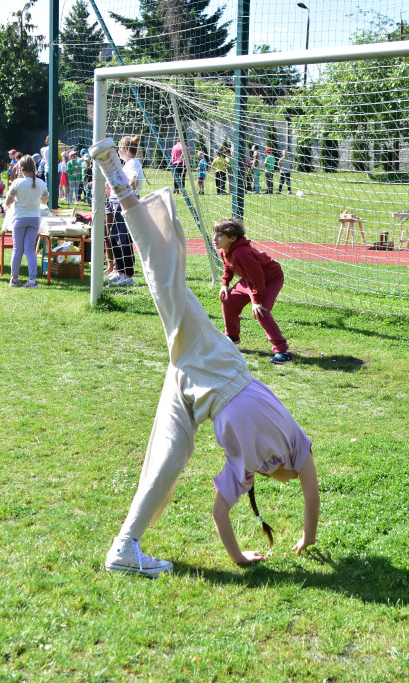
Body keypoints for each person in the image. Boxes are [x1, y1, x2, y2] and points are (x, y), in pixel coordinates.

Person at [88, 138, 320, 576]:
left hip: (193, 385)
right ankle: (116, 179)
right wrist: (307, 536)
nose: (287, 480)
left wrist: (239, 556)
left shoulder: (249, 468)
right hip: (211, 360)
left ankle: (124, 547)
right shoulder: (294, 447)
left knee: (169, 458)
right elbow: (311, 493)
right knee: (166, 279)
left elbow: (222, 512)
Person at [214, 218, 293, 364]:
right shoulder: (224, 250)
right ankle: (232, 338)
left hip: (270, 279)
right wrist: (225, 283)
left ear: (232, 238)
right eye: (214, 234)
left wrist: (256, 301)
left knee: (261, 311)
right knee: (228, 301)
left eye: (219, 235)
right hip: (250, 280)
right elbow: (227, 266)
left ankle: (282, 351)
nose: (214, 238)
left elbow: (258, 278)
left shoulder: (242, 253)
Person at [4, 155, 49, 289]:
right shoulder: (40, 182)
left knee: (17, 249)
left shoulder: (17, 183)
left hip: (19, 218)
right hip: (34, 218)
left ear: (21, 169)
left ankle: (14, 278)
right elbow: (46, 199)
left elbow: (8, 201)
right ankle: (32, 280)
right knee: (30, 250)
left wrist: (16, 201)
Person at [104, 134, 142, 287]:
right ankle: (119, 272)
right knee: (114, 235)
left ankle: (128, 275)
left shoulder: (133, 163)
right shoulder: (127, 164)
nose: (118, 151)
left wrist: (123, 191)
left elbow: (134, 181)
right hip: (116, 202)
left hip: (124, 203)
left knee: (123, 238)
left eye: (120, 148)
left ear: (126, 150)